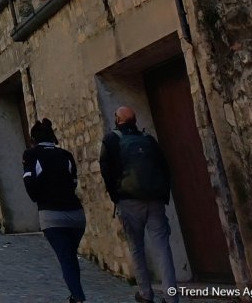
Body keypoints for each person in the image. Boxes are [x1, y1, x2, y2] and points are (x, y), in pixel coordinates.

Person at [100, 106, 178, 303]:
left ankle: (145, 293)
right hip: (155, 200)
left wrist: (115, 196)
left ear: (117, 120)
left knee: (137, 247)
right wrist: (163, 194)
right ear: (135, 120)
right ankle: (171, 297)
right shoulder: (148, 139)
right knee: (163, 248)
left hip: (128, 200)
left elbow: (106, 170)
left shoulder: (111, 140)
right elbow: (164, 167)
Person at [23, 119, 88, 303]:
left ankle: (78, 297)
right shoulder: (66, 155)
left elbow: (29, 183)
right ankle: (75, 294)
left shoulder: (31, 155)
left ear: (34, 138)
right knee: (70, 255)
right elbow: (73, 182)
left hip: (51, 215)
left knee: (66, 257)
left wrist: (40, 197)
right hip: (76, 215)